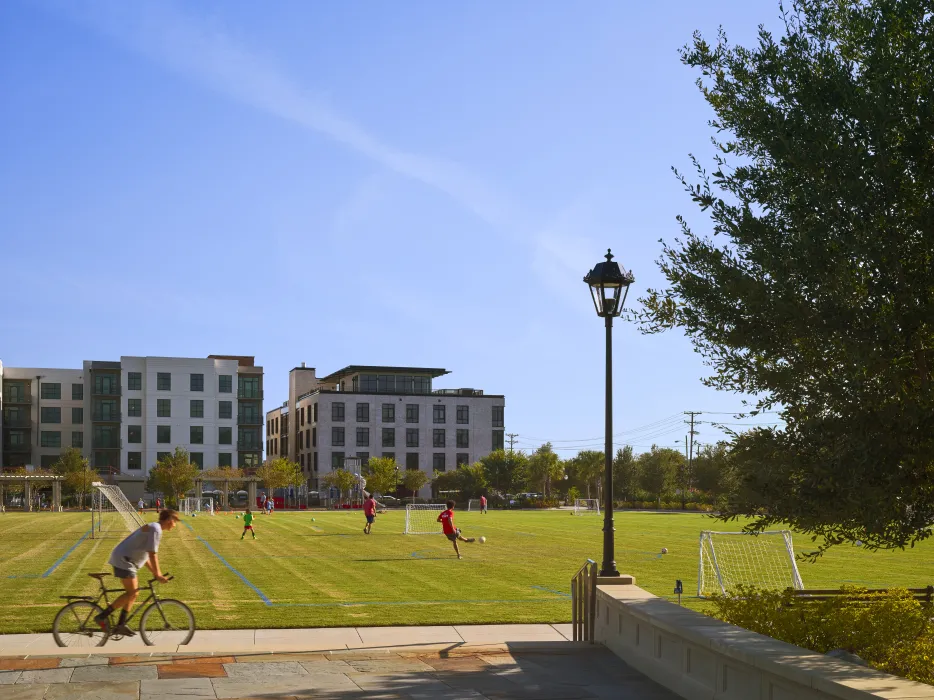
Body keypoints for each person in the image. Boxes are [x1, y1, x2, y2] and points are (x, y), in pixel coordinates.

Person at [95, 509, 179, 636]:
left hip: (126, 560)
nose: (175, 524)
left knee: (134, 593)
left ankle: (121, 625)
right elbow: (152, 554)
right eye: (175, 521)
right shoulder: (156, 529)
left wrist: (155, 573)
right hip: (124, 560)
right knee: (132, 593)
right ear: (169, 520)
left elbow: (145, 558)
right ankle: (102, 616)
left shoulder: (154, 528)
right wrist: (158, 575)